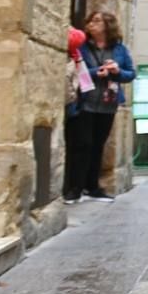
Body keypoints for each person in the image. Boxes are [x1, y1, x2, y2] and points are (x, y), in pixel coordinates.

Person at [67, 11, 136, 202]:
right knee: (82, 145)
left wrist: (117, 70)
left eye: (96, 21)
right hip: (85, 102)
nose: (91, 24)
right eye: (89, 21)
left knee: (98, 146)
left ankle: (93, 186)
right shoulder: (82, 46)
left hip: (108, 104)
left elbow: (131, 73)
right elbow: (75, 70)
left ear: (108, 25)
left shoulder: (119, 49)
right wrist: (97, 72)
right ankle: (75, 188)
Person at [63, 28, 90, 204]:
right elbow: (86, 83)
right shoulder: (77, 56)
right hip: (73, 106)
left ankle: (73, 186)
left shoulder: (76, 56)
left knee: (74, 145)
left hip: (74, 107)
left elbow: (86, 84)